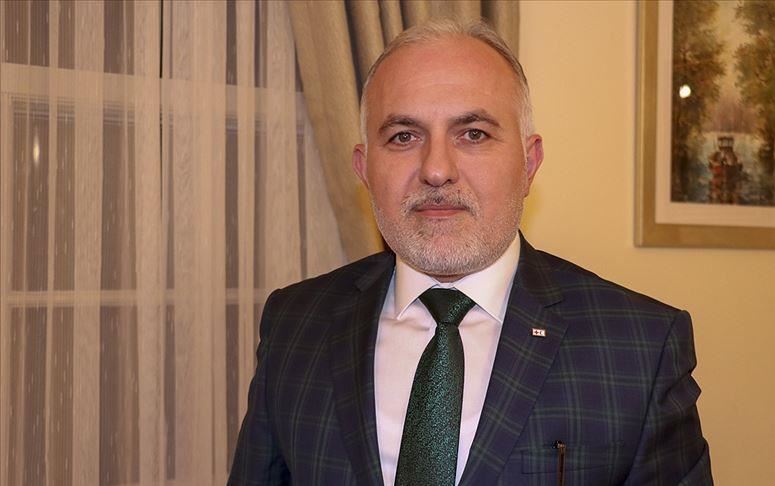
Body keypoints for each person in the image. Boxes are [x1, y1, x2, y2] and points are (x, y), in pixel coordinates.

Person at [229, 19, 712, 486]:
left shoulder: (641, 348)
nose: (436, 170)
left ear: (529, 164)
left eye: (473, 134)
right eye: (403, 136)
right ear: (364, 168)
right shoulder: (295, 324)